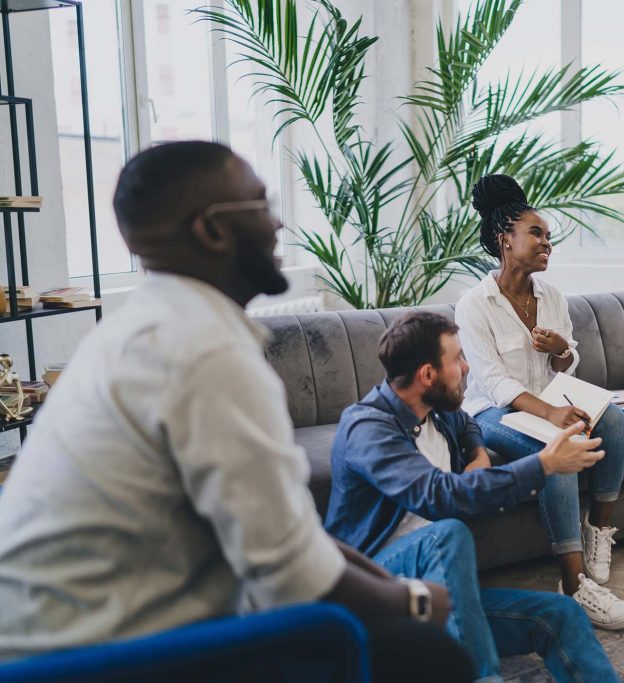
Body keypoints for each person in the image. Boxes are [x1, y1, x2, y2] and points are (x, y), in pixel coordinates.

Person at [0, 141, 473, 681]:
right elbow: (295, 577)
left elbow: (294, 537)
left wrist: (396, 588)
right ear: (212, 230)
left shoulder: (149, 325)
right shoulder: (204, 351)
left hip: (50, 640)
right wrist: (414, 602)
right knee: (430, 656)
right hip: (85, 660)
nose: (277, 224)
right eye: (260, 204)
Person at [324, 311, 622, 682]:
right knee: (446, 533)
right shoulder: (367, 428)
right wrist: (542, 464)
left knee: (561, 613)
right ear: (428, 375)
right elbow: (437, 496)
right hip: (375, 594)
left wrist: (477, 454)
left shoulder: (438, 409)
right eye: (457, 359)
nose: (467, 368)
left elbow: (467, 422)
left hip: (436, 598)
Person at [453, 174, 624, 630]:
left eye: (549, 237)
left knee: (614, 421)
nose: (546, 244)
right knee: (555, 450)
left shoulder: (552, 296)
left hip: (550, 398)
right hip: (494, 412)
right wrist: (552, 414)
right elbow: (494, 383)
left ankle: (600, 531)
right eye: (536, 233)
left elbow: (569, 361)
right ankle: (574, 585)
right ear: (504, 240)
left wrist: (560, 350)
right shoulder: (475, 304)